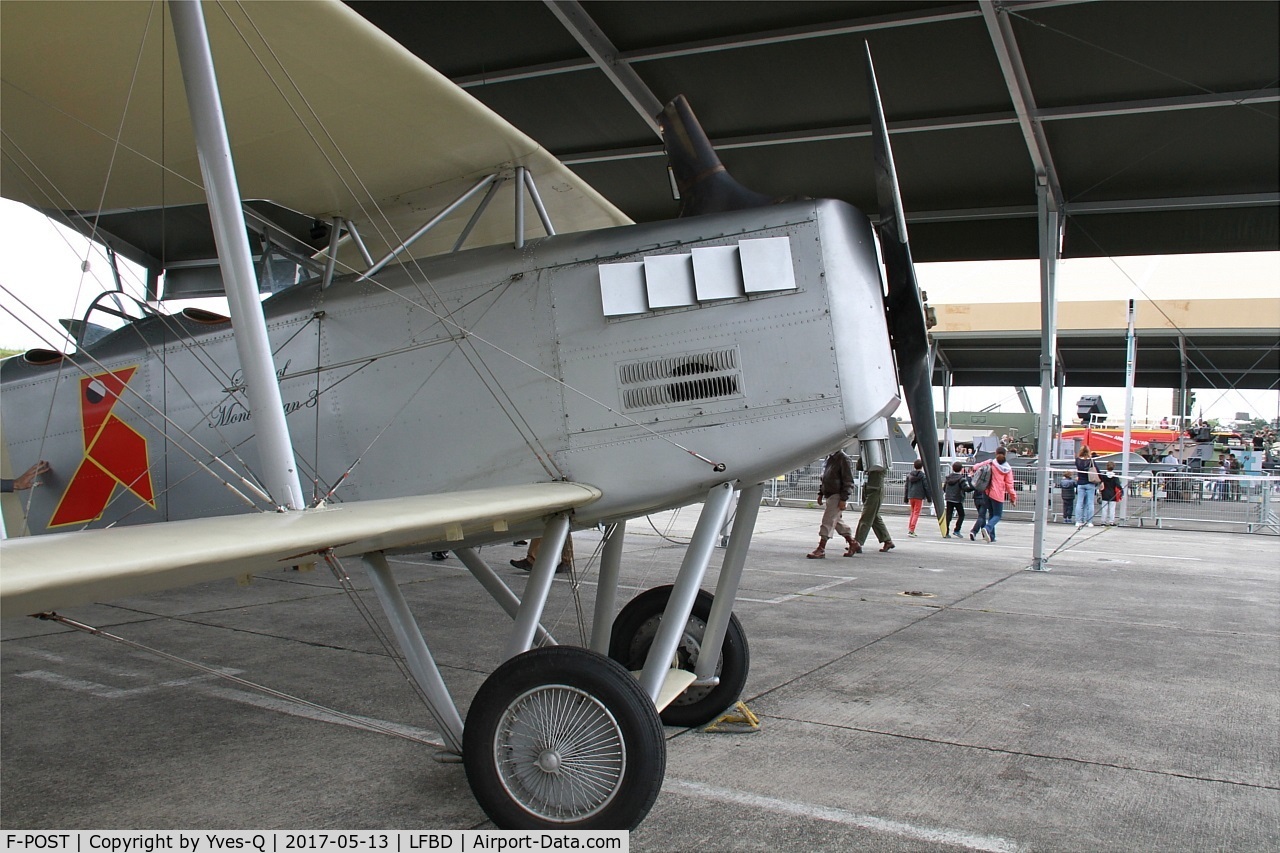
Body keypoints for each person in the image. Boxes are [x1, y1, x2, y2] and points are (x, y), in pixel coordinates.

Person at [808, 448, 859, 558]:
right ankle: (852, 543)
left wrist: (843, 499)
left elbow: (848, 480)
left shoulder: (842, 459)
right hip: (831, 493)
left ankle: (821, 548)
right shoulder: (830, 457)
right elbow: (825, 476)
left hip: (837, 494)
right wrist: (821, 493)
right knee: (836, 521)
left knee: (828, 520)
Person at [972, 447, 1017, 542]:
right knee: (997, 515)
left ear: (995, 453)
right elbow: (1009, 485)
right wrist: (1013, 497)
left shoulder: (991, 462)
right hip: (998, 493)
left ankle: (991, 536)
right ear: (1005, 454)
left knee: (991, 514)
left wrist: (986, 462)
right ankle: (987, 528)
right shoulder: (1008, 469)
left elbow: (975, 467)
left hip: (986, 492)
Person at [854, 458, 894, 553]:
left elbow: (880, 468)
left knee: (866, 517)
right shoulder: (868, 455)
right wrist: (863, 456)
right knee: (874, 517)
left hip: (875, 490)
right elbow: (860, 467)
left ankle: (857, 542)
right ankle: (887, 540)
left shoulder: (881, 456)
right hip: (868, 488)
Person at [1073, 445, 1100, 527]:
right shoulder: (1091, 461)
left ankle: (1078, 521)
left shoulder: (1077, 460)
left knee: (1079, 503)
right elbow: (1097, 471)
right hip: (1090, 483)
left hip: (1080, 483)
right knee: (1090, 503)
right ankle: (1089, 521)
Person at [903, 458, 931, 538]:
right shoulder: (923, 476)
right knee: (916, 512)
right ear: (922, 467)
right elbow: (926, 487)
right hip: (919, 496)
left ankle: (910, 528)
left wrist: (906, 497)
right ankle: (911, 530)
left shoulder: (909, 475)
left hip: (911, 495)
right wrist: (929, 497)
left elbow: (906, 487)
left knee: (912, 512)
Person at [943, 462, 972, 538]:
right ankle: (957, 530)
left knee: (948, 515)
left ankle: (946, 531)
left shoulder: (948, 478)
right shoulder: (961, 479)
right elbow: (966, 488)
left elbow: (944, 488)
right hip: (957, 498)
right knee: (961, 515)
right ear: (961, 469)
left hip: (949, 498)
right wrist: (973, 486)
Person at [1098, 461, 1122, 526]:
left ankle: (1103, 522)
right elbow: (1118, 485)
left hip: (1104, 493)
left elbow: (1101, 483)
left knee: (1104, 509)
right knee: (1112, 509)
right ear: (1113, 467)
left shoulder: (1103, 475)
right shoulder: (1115, 476)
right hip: (1113, 494)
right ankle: (1111, 521)